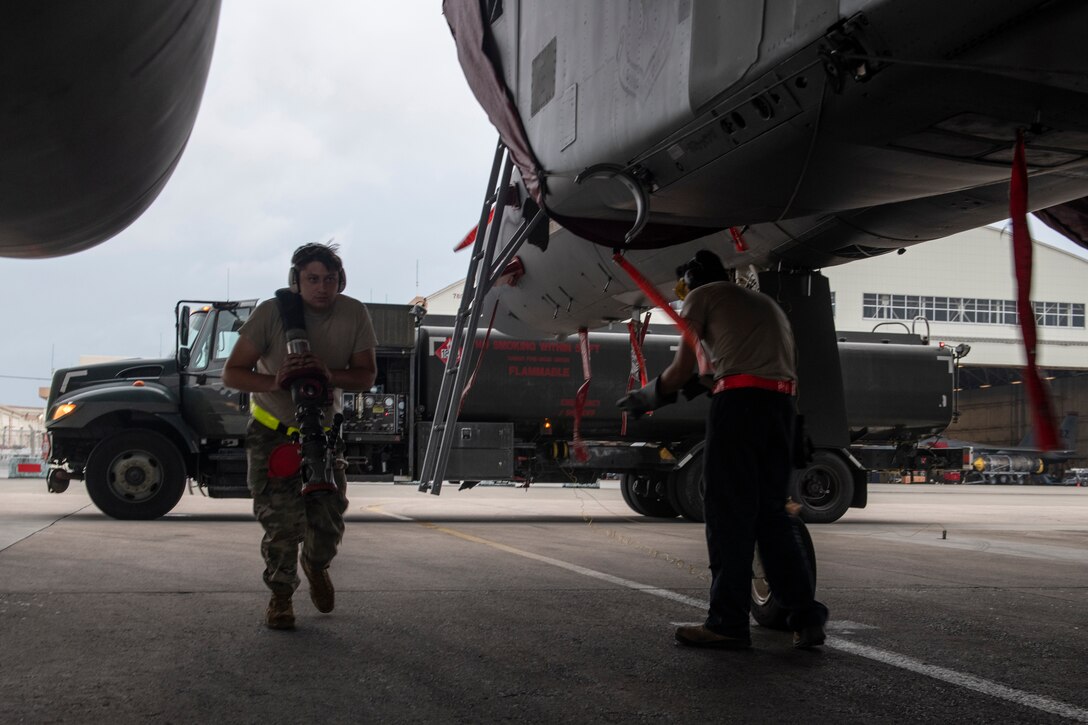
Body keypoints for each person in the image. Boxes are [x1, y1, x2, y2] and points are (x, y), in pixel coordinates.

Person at [618, 249, 828, 649]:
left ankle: (727, 623)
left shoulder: (704, 295)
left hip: (740, 405)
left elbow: (683, 369)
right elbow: (766, 367)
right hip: (781, 409)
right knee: (772, 518)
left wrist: (650, 396)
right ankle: (806, 618)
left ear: (692, 282)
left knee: (729, 514)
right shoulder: (765, 304)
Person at [223, 242, 377, 630]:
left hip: (322, 435)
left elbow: (365, 375)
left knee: (327, 525)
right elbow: (233, 373)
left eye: (329, 280)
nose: (321, 288)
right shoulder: (272, 313)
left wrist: (327, 374)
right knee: (282, 526)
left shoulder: (354, 313)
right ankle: (280, 598)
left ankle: (316, 564)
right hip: (273, 434)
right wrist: (275, 380)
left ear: (340, 281)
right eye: (312, 279)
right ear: (296, 281)